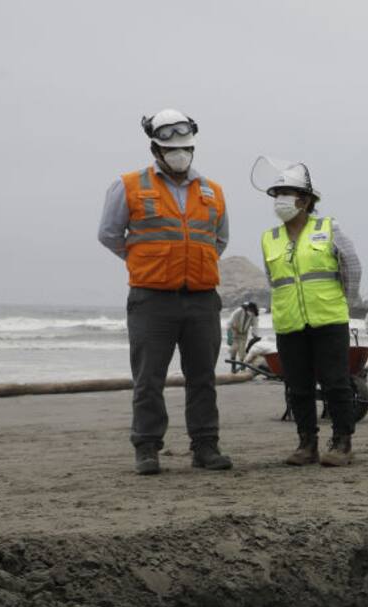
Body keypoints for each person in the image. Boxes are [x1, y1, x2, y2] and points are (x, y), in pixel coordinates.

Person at [98, 109, 233, 476]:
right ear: (155, 148)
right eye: (172, 147)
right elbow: (110, 235)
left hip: (202, 297)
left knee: (203, 376)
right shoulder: (128, 185)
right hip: (151, 299)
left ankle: (206, 446)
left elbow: (218, 240)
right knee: (148, 378)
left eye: (186, 147)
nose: (180, 154)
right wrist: (148, 261)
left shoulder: (213, 191)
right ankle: (146, 448)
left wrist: (192, 263)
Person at [259, 161, 361, 467]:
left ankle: (342, 442)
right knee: (297, 386)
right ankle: (307, 443)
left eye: (286, 193)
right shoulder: (270, 238)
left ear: (305, 200)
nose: (280, 200)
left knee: (336, 383)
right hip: (289, 322)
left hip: (328, 319)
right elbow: (273, 280)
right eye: (276, 194)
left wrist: (345, 303)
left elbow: (351, 268)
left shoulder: (328, 228)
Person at [227, 302, 260, 372]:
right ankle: (233, 369)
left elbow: (255, 326)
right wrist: (229, 336)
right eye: (250, 310)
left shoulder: (253, 315)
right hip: (234, 332)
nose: (251, 312)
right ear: (247, 308)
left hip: (243, 334)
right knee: (233, 350)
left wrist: (255, 336)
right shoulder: (238, 311)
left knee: (242, 353)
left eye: (252, 311)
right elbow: (229, 323)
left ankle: (243, 369)